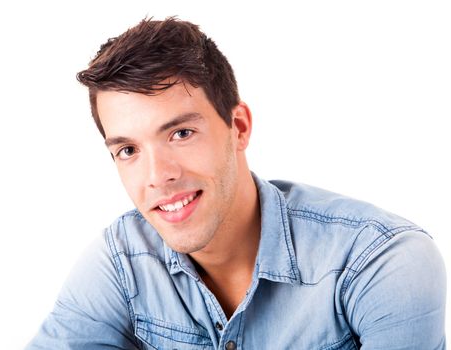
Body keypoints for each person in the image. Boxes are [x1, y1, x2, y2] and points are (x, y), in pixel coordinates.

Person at [27, 17, 446, 349]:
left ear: (238, 127)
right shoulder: (121, 262)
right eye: (128, 150)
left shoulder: (382, 261)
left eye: (181, 134)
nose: (158, 177)